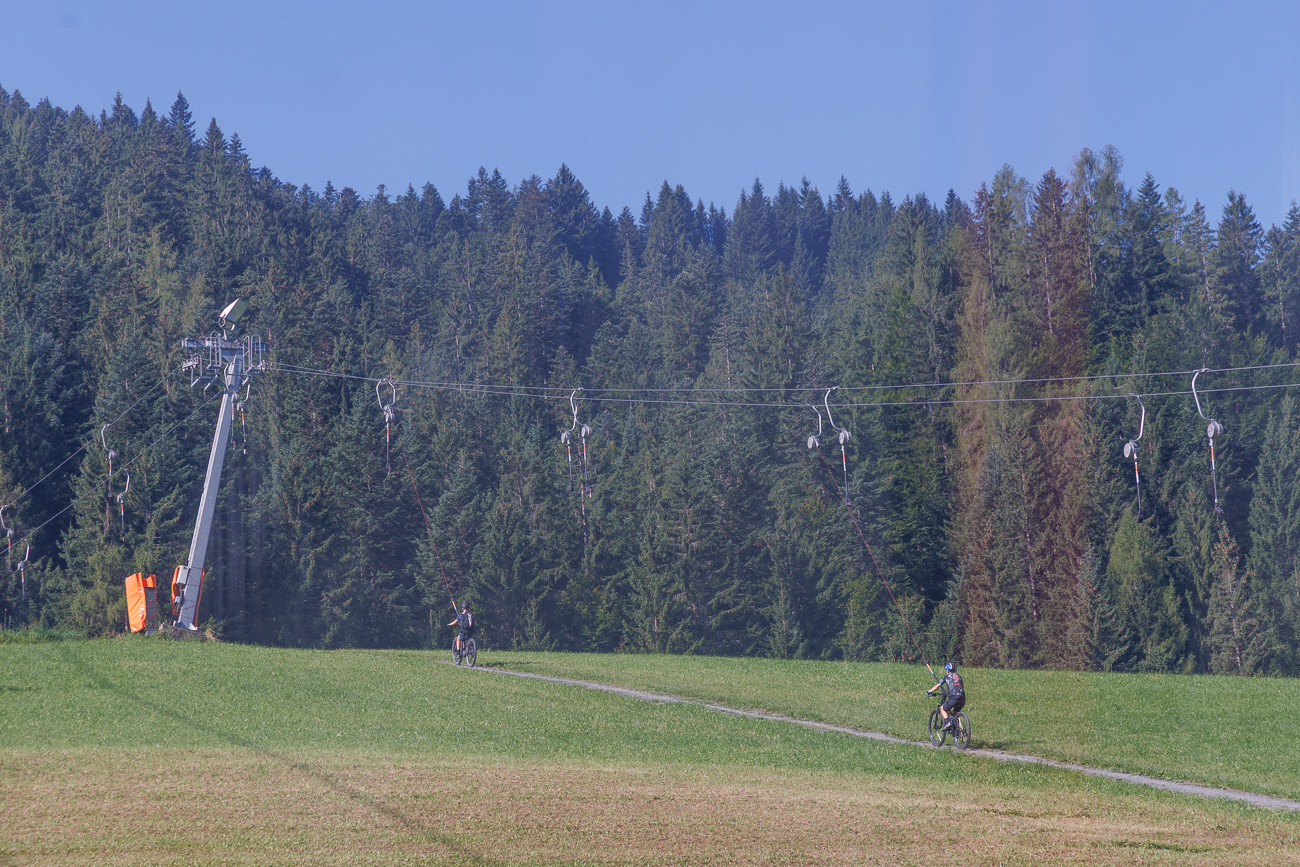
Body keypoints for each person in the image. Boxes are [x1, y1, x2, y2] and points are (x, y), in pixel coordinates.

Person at [926, 661, 965, 731]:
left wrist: (929, 691)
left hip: (953, 697)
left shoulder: (946, 677)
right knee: (955, 713)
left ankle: (948, 722)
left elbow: (937, 686)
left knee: (942, 709)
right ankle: (958, 730)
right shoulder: (959, 677)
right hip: (962, 698)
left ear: (947, 670)